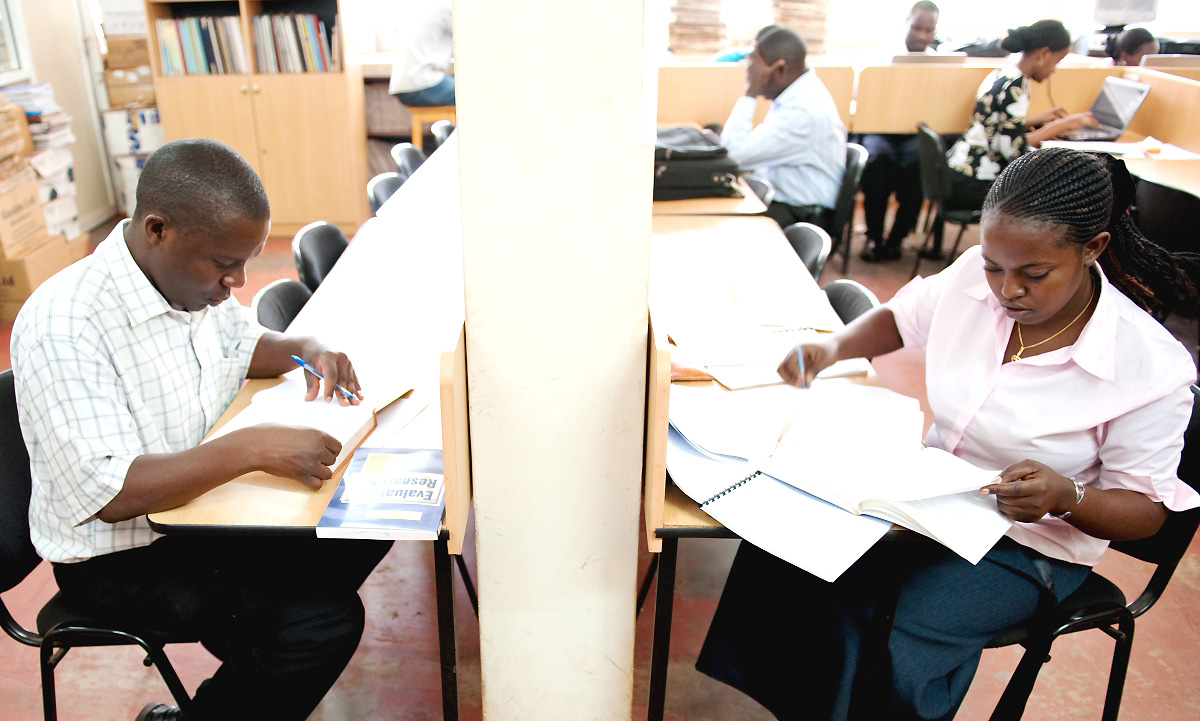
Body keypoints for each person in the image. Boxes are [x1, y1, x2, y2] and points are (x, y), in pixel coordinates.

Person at [697, 147, 1200, 720]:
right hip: (930, 499)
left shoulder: (1149, 368)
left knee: (894, 615)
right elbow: (902, 318)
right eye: (993, 266)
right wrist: (833, 346)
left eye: (1033, 274)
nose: (1007, 290)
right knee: (787, 550)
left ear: (1094, 250)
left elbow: (1147, 512)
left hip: (1031, 544)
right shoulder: (973, 279)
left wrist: (1068, 496)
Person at [11, 139, 392, 721]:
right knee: (319, 618)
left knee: (364, 524)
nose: (237, 281)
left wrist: (308, 349)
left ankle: (254, 668)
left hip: (198, 517)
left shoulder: (185, 285)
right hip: (122, 558)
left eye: (246, 261)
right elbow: (111, 494)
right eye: (223, 263)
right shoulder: (66, 324)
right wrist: (252, 449)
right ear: (158, 229)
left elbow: (244, 348)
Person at [937, 20, 1097, 258]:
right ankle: (1037, 261)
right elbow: (1012, 149)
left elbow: (997, 125)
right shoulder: (1018, 83)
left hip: (958, 173)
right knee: (1051, 193)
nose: (1054, 70)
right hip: (977, 181)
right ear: (1044, 54)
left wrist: (1037, 120)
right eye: (1057, 61)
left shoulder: (1004, 72)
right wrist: (1061, 125)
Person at [721, 26, 846, 231]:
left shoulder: (803, 112)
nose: (748, 68)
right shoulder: (796, 93)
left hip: (801, 212)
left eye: (753, 62)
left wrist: (750, 91)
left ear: (779, 69)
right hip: (787, 199)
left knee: (727, 226)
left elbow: (733, 156)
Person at [859, 1, 941, 263]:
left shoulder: (939, 62)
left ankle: (897, 239)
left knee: (920, 161)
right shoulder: (879, 55)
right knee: (877, 160)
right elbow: (860, 95)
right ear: (906, 23)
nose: (922, 36)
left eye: (929, 30)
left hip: (914, 132)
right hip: (879, 127)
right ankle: (874, 237)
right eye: (917, 28)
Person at [390, 0, 454, 107]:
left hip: (404, 84)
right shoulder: (447, 6)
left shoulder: (419, 4)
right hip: (422, 82)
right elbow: (468, 34)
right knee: (470, 94)